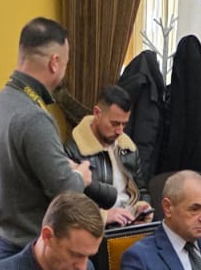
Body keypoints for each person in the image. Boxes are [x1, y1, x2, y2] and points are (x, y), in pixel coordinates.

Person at [0, 18, 107, 261]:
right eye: (66, 64)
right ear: (54, 62)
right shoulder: (34, 117)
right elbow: (65, 191)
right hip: (28, 251)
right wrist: (80, 175)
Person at [63, 84, 151, 226]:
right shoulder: (73, 151)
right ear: (97, 113)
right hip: (100, 228)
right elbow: (67, 204)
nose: (120, 131)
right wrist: (103, 216)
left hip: (130, 223)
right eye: (115, 124)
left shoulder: (128, 147)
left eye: (124, 124)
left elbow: (141, 190)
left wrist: (142, 207)